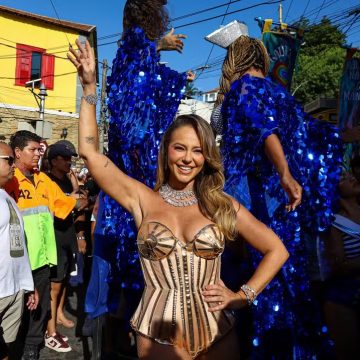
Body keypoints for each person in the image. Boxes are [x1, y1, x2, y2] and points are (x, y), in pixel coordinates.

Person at [68, 37, 289, 359]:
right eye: (180, 147)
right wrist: (89, 89)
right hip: (158, 336)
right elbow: (89, 151)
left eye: (198, 150)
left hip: (219, 334)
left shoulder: (221, 204)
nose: (188, 158)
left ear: (207, 157)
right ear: (167, 151)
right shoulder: (141, 198)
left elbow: (276, 249)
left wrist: (243, 295)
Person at [211, 34, 341, 357]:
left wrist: (283, 172)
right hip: (282, 210)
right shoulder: (282, 96)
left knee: (256, 292)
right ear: (262, 61)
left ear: (235, 60)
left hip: (246, 206)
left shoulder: (244, 87)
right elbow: (311, 133)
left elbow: (264, 127)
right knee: (287, 288)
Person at [85, 0, 193, 351]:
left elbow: (148, 100)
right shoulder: (135, 46)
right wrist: (157, 46)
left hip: (140, 187)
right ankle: (120, 345)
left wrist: (177, 77)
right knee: (127, 279)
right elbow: (132, 125)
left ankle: (130, 341)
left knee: (139, 279)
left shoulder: (141, 55)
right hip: (130, 190)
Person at [5, 131, 77, 360]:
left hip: (42, 258)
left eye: (39, 149)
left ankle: (31, 348)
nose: (39, 154)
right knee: (16, 312)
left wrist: (81, 195)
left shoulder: (43, 180)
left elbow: (64, 205)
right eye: (33, 150)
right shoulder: (9, 180)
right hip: (16, 261)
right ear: (17, 153)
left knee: (40, 307)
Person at [44, 141, 87, 352]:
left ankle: (59, 313)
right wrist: (75, 198)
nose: (70, 162)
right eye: (66, 158)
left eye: (71, 158)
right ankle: (50, 330)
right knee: (55, 284)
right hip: (55, 236)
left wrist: (75, 192)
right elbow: (76, 203)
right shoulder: (47, 180)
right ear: (53, 161)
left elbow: (80, 201)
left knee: (65, 281)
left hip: (68, 235)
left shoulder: (68, 181)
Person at [0, 142, 38, 360]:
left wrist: (28, 283)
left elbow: (18, 246)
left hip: (14, 289)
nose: (13, 165)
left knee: (6, 347)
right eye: (8, 160)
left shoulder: (7, 197)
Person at [322, 159, 360, 359]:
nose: (352, 177)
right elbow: (339, 266)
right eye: (344, 178)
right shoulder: (335, 223)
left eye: (350, 174)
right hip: (344, 298)